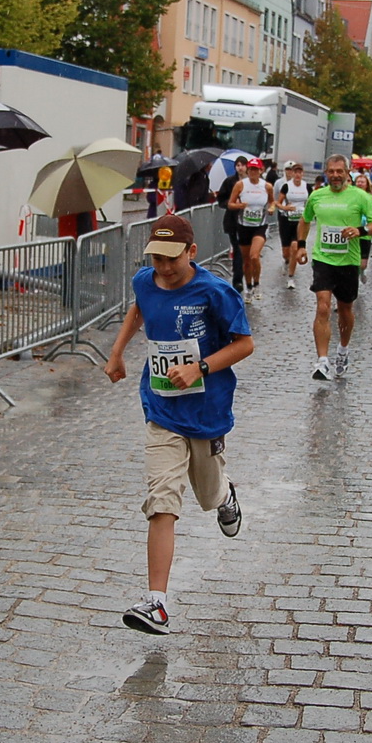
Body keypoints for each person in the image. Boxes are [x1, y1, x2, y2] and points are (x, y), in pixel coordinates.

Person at [103, 213, 253, 635]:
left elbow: (245, 344)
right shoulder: (145, 282)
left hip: (205, 411)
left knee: (207, 494)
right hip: (162, 409)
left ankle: (225, 494)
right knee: (162, 499)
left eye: (172, 259)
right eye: (157, 259)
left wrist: (199, 368)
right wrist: (117, 352)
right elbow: (139, 311)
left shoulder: (216, 292)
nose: (164, 268)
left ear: (192, 252)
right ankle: (157, 602)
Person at [298, 154, 372, 381]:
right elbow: (305, 220)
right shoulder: (316, 196)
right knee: (323, 306)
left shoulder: (361, 197)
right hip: (323, 259)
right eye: (331, 171)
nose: (335, 175)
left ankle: (343, 349)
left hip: (348, 261)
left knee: (345, 310)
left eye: (340, 171)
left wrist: (360, 231)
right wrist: (300, 246)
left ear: (348, 173)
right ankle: (322, 361)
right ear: (326, 173)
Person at [226, 157, 274, 301]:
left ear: (261, 171)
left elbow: (272, 202)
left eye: (256, 169)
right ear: (248, 170)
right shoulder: (240, 185)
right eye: (251, 169)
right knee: (246, 260)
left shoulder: (267, 186)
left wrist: (271, 208)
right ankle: (249, 288)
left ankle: (257, 284)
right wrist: (239, 206)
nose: (253, 172)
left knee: (254, 256)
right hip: (243, 226)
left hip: (260, 226)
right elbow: (230, 204)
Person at [275, 161, 310, 289]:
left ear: (302, 174)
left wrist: (309, 212)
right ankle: (286, 260)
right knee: (286, 251)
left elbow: (311, 202)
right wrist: (285, 207)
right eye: (295, 172)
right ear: (292, 173)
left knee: (295, 247)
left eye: (300, 172)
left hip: (300, 222)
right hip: (286, 220)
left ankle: (291, 277)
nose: (297, 175)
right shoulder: (286, 186)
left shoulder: (306, 187)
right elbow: (277, 203)